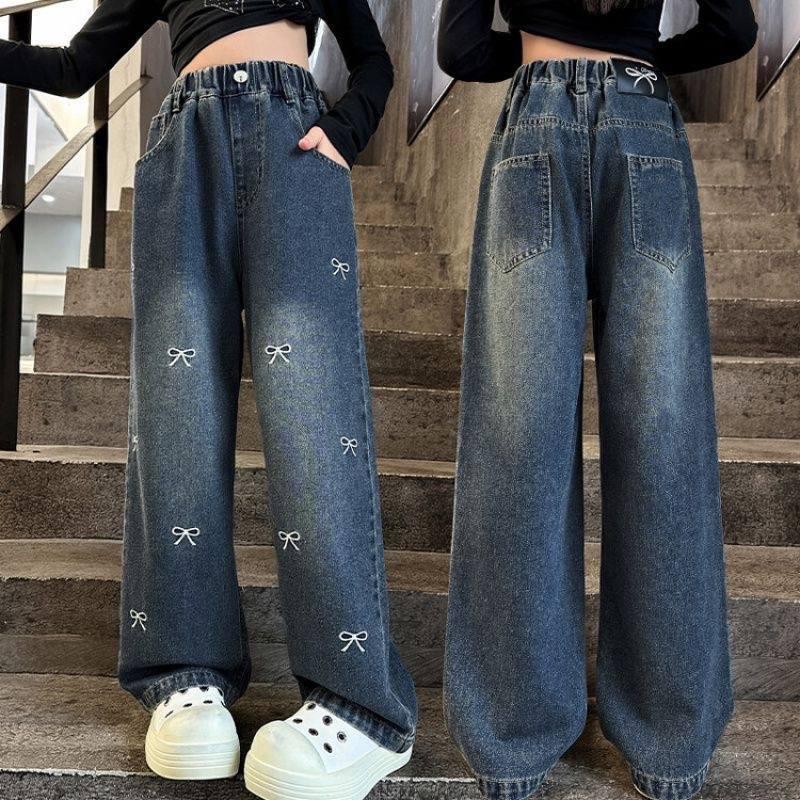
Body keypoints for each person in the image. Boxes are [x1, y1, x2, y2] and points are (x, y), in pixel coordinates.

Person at [0, 2, 417, 798]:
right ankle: (184, 671)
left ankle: (359, 702)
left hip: (294, 142)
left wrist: (345, 131)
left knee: (314, 418)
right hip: (185, 145)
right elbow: (73, 67)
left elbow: (374, 60)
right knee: (176, 419)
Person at [436, 1, 757, 799]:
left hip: (534, 123)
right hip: (644, 121)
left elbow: (462, 48)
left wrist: (541, 48)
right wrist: (639, 51)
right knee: (664, 434)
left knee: (518, 438)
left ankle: (511, 743)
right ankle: (669, 746)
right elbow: (734, 29)